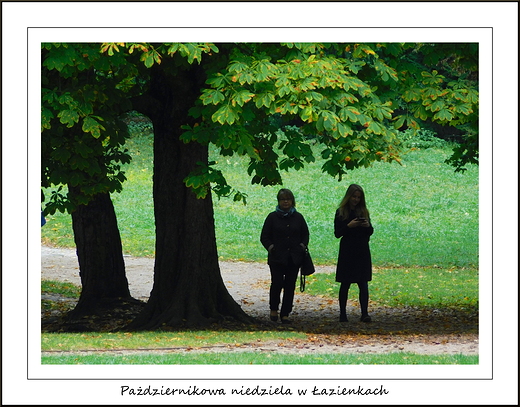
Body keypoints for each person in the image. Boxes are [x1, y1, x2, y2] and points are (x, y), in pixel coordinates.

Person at [260, 188, 310, 324]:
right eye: (283, 199)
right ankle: (274, 309)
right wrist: (271, 248)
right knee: (276, 283)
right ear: (279, 201)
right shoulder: (272, 217)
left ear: (292, 201)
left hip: (294, 258)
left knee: (290, 286)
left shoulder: (298, 217)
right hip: (277, 257)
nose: (286, 201)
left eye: (288, 199)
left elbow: (305, 234)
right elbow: (264, 236)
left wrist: (302, 246)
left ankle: (285, 313)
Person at [334, 184, 374, 323]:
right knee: (345, 283)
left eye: (358, 197)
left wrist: (367, 226)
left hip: (361, 249)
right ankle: (343, 314)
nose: (356, 200)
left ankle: (364, 313)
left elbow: (370, 231)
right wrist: (348, 226)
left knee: (363, 282)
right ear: (348, 197)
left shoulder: (363, 211)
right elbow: (337, 233)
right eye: (354, 196)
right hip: (347, 250)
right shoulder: (341, 212)